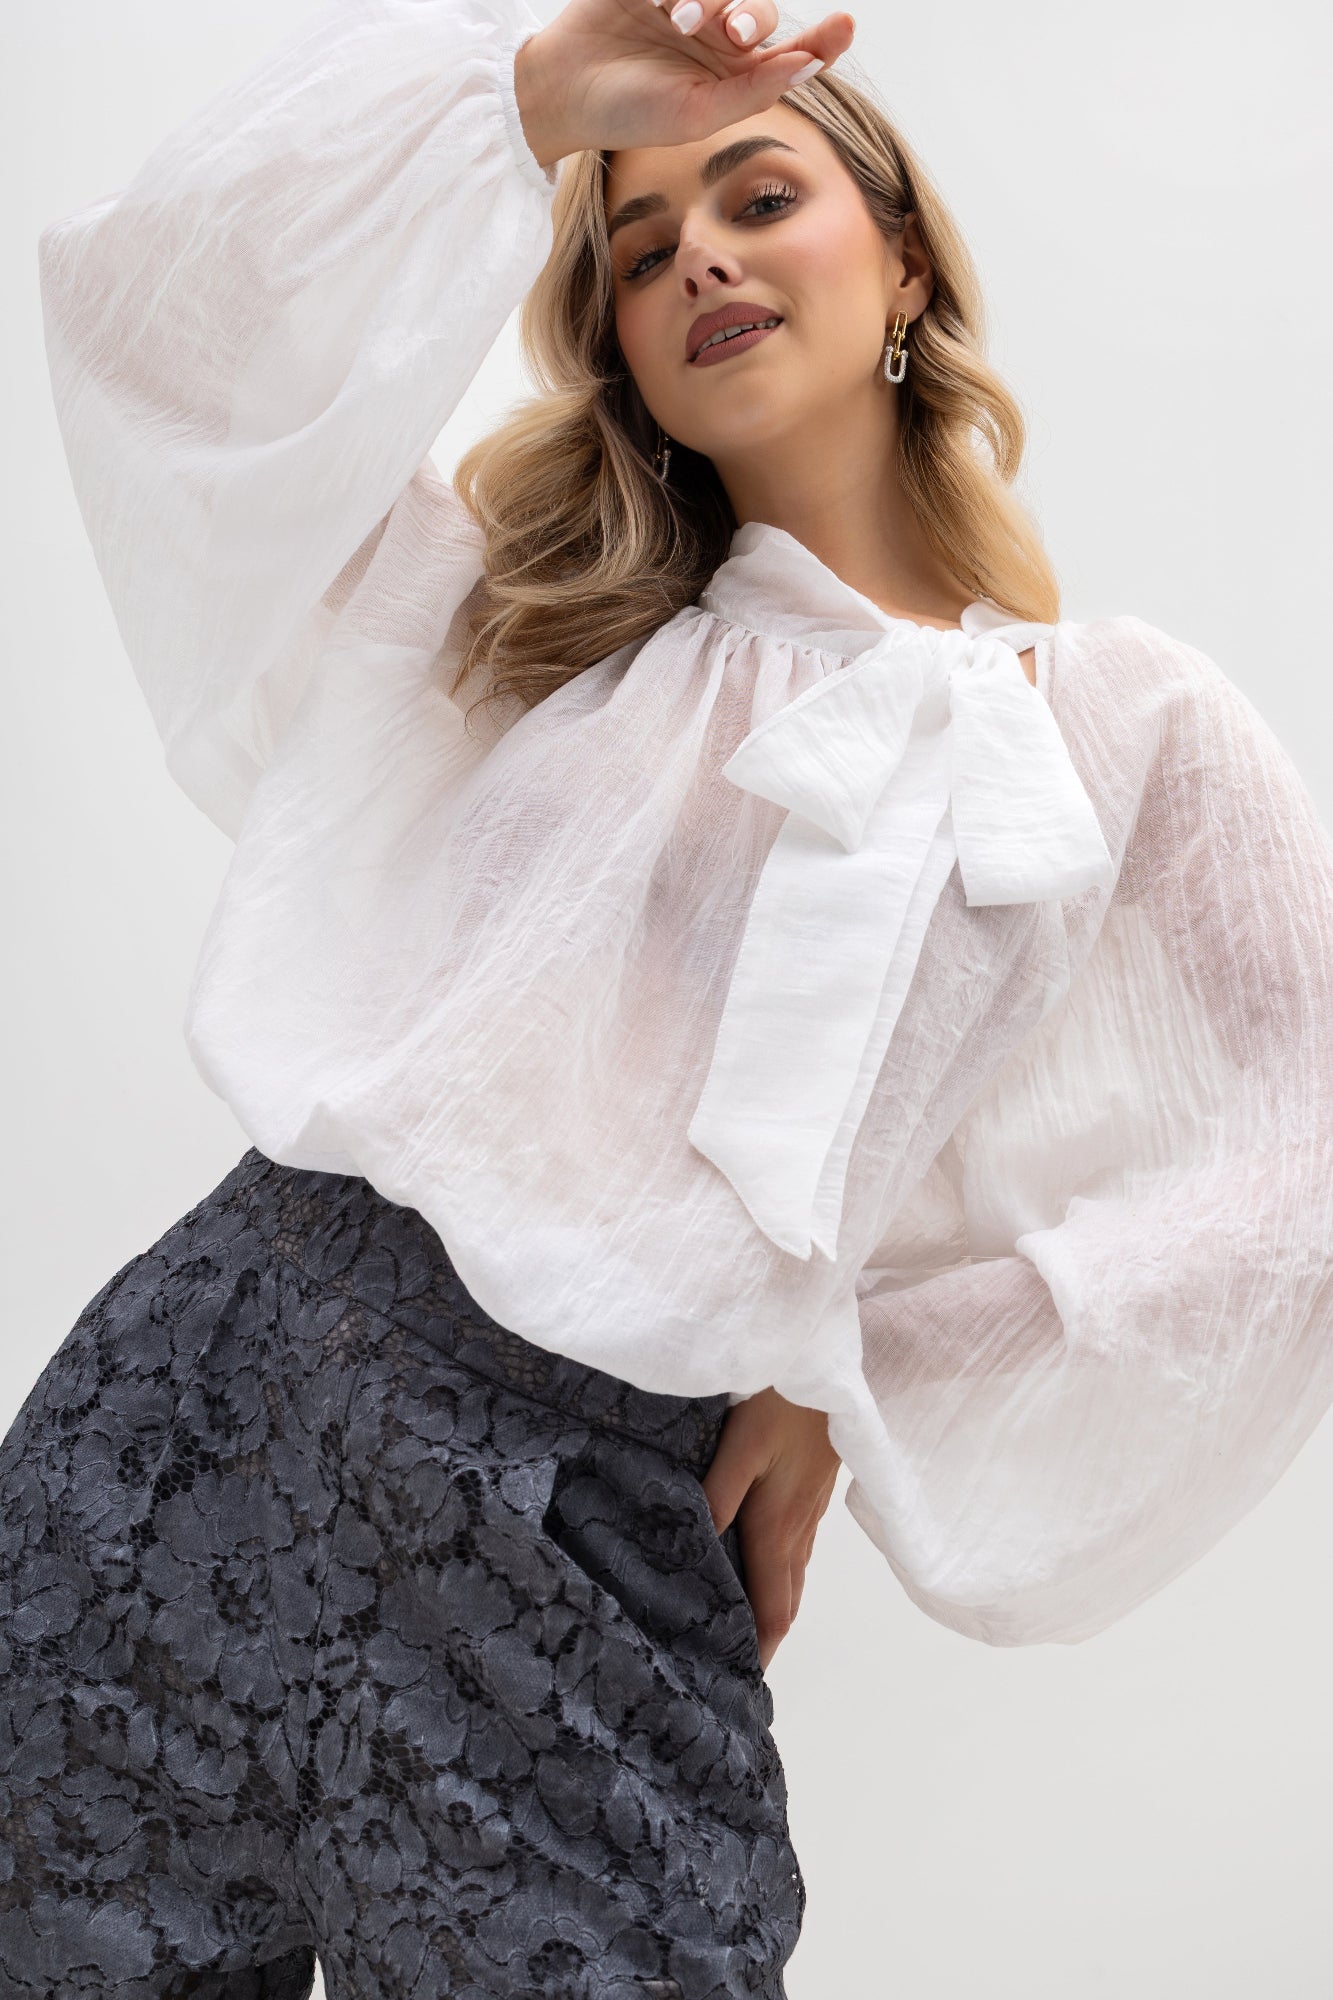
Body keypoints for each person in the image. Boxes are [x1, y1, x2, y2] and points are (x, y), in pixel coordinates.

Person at [6, 0, 1333, 1991]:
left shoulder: (1112, 731)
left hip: (577, 1509)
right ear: (619, 347)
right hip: (191, 1412)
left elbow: (1288, 1176)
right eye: (640, 248)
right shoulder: (510, 617)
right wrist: (533, 96)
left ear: (903, 263)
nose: (698, 255)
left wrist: (840, 1366)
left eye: (758, 195)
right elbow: (157, 332)